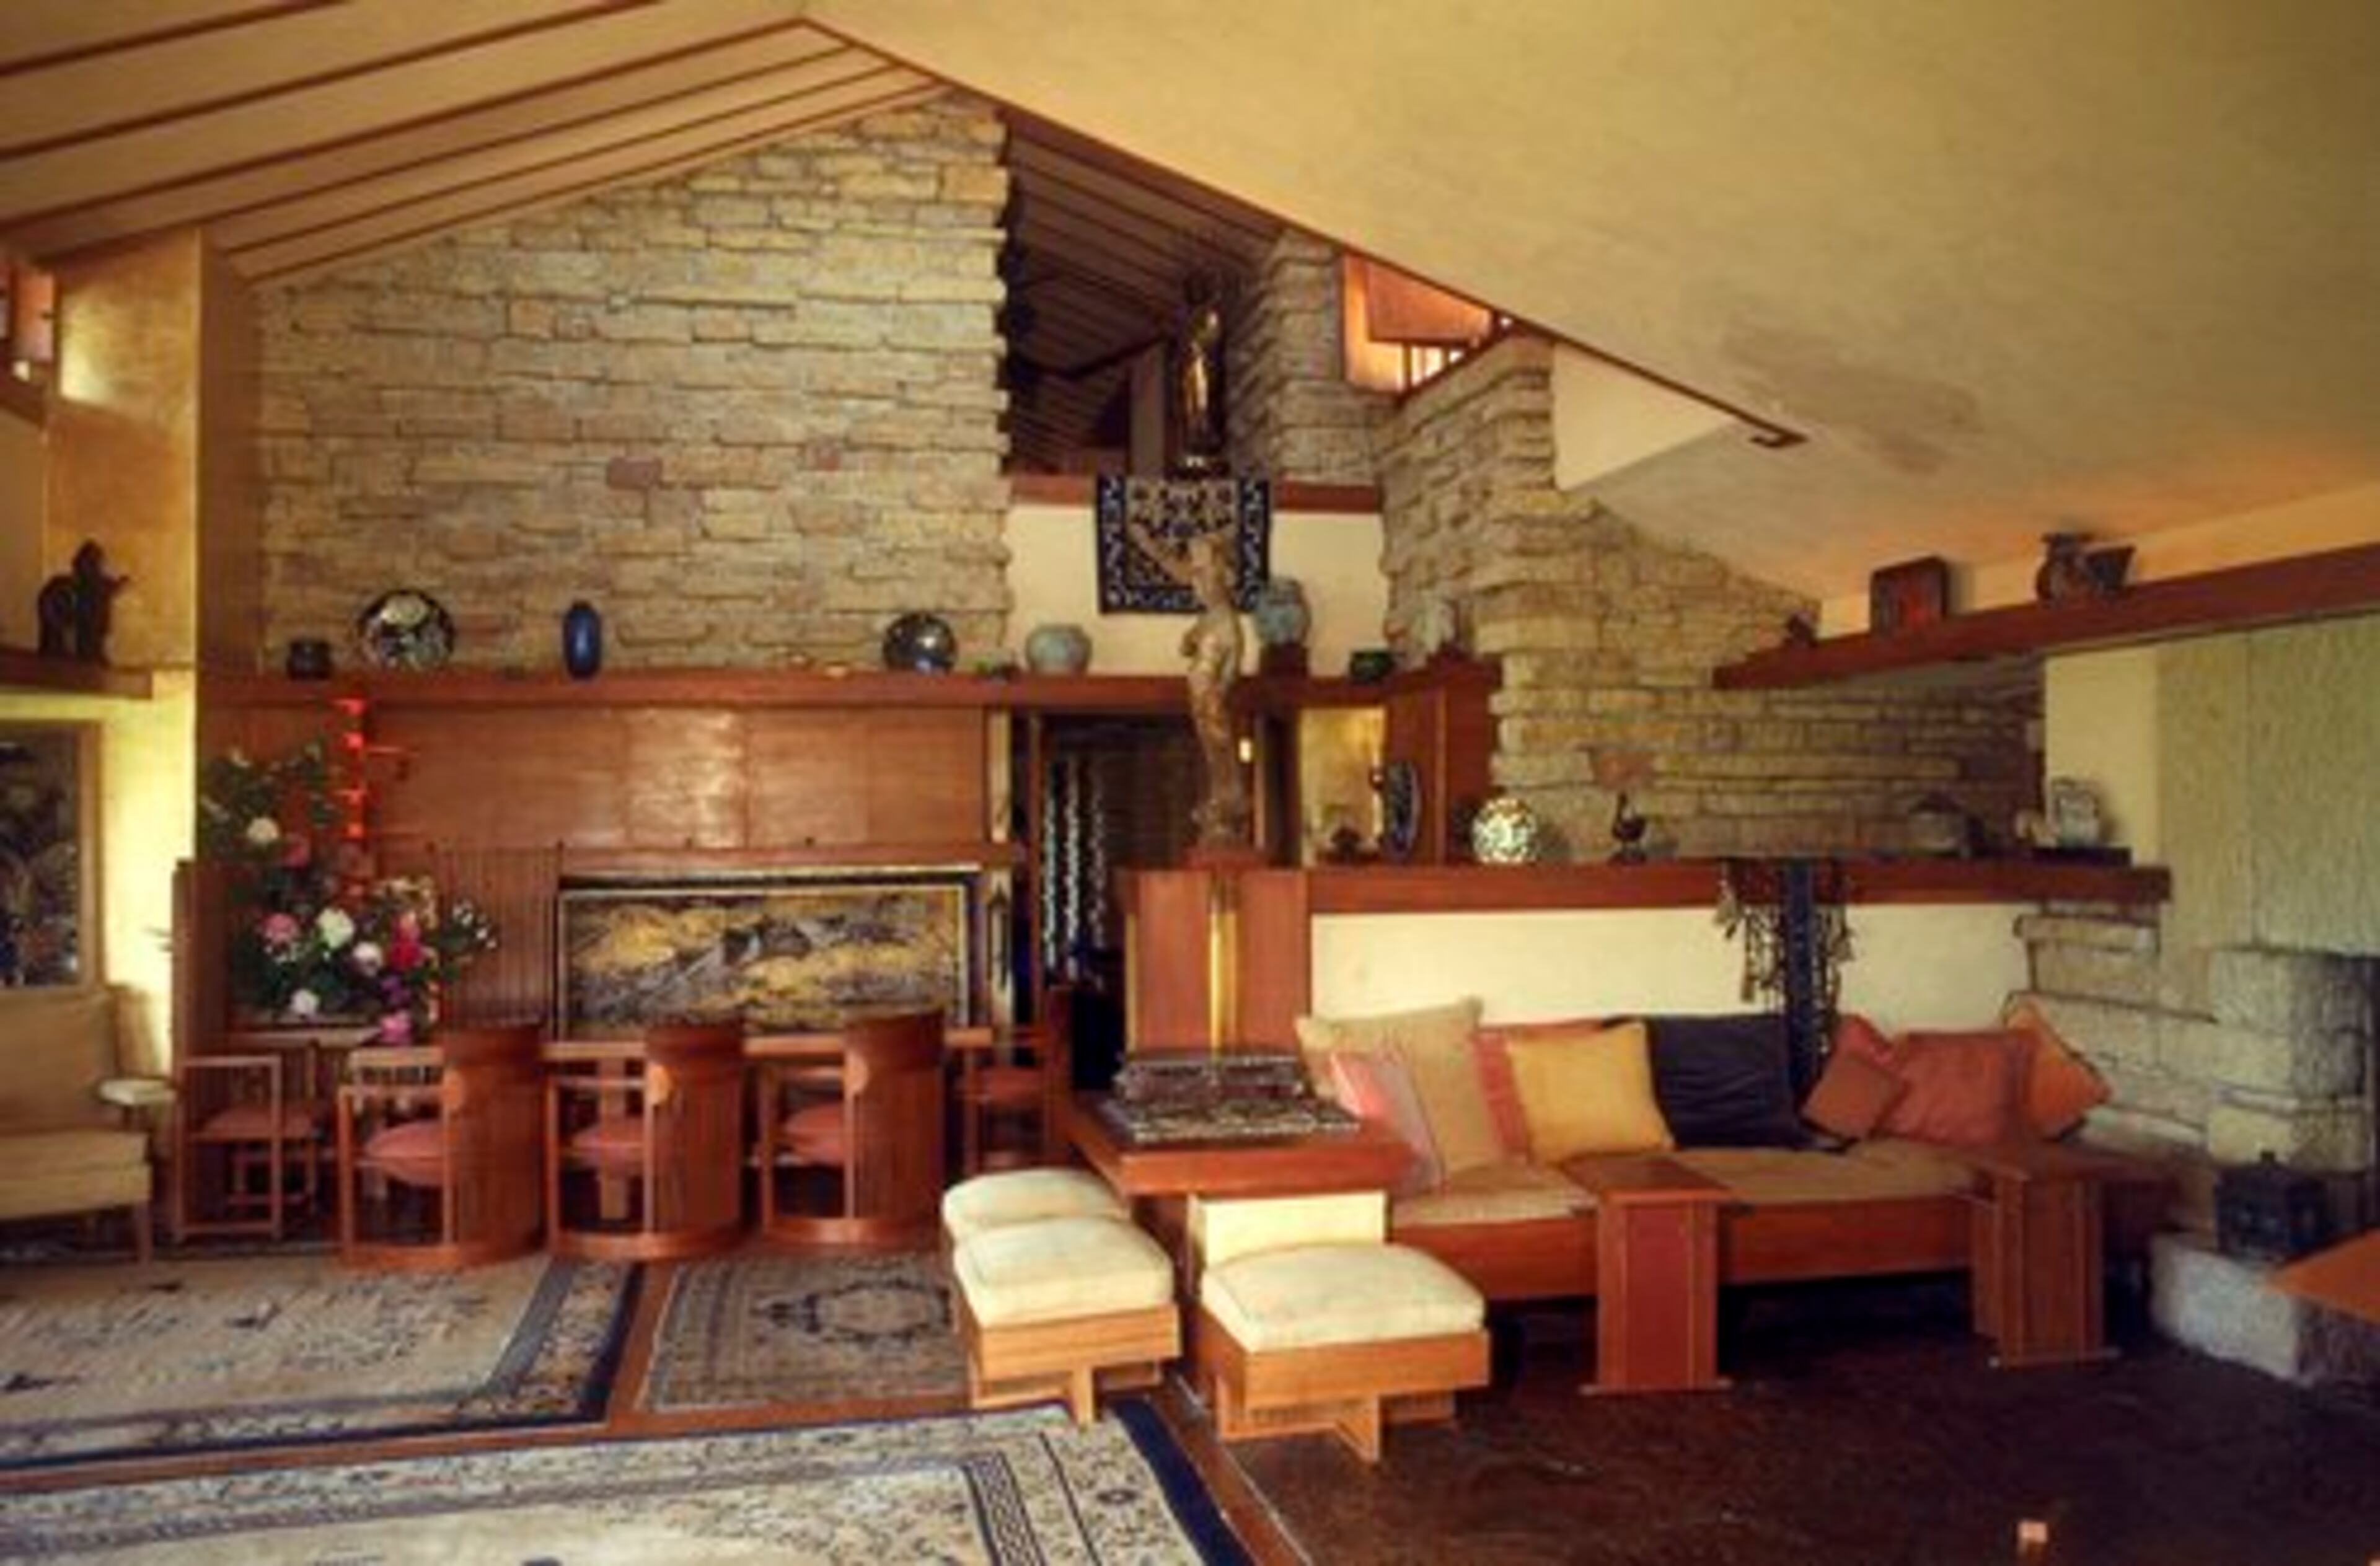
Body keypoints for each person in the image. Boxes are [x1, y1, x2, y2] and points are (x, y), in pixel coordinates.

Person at [1181, 532, 1249, 847]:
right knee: (1211, 754)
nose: (1200, 585)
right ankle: (1219, 806)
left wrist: (1218, 692)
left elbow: (1233, 663)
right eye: (1196, 577)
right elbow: (1186, 646)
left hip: (1212, 696)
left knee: (1221, 755)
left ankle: (1228, 807)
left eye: (1207, 576)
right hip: (1200, 694)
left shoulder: (1227, 621)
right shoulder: (1206, 620)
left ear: (1225, 579)